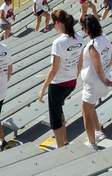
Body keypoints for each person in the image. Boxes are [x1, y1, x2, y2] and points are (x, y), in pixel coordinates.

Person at [38, 10, 84, 148]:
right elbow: (80, 63)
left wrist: (42, 88)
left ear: (57, 23)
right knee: (59, 110)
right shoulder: (79, 38)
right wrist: (73, 77)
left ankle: (60, 148)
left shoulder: (58, 43)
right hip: (72, 82)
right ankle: (64, 141)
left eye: (53, 24)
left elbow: (54, 69)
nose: (53, 27)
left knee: (55, 119)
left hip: (58, 85)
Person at [80, 15, 112, 149]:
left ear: (87, 28)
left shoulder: (92, 45)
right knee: (91, 107)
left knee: (85, 114)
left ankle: (92, 143)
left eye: (83, 28)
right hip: (103, 80)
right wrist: (105, 78)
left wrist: (103, 79)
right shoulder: (105, 39)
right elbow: (110, 61)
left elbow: (98, 66)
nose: (83, 30)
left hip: (94, 83)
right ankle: (98, 132)